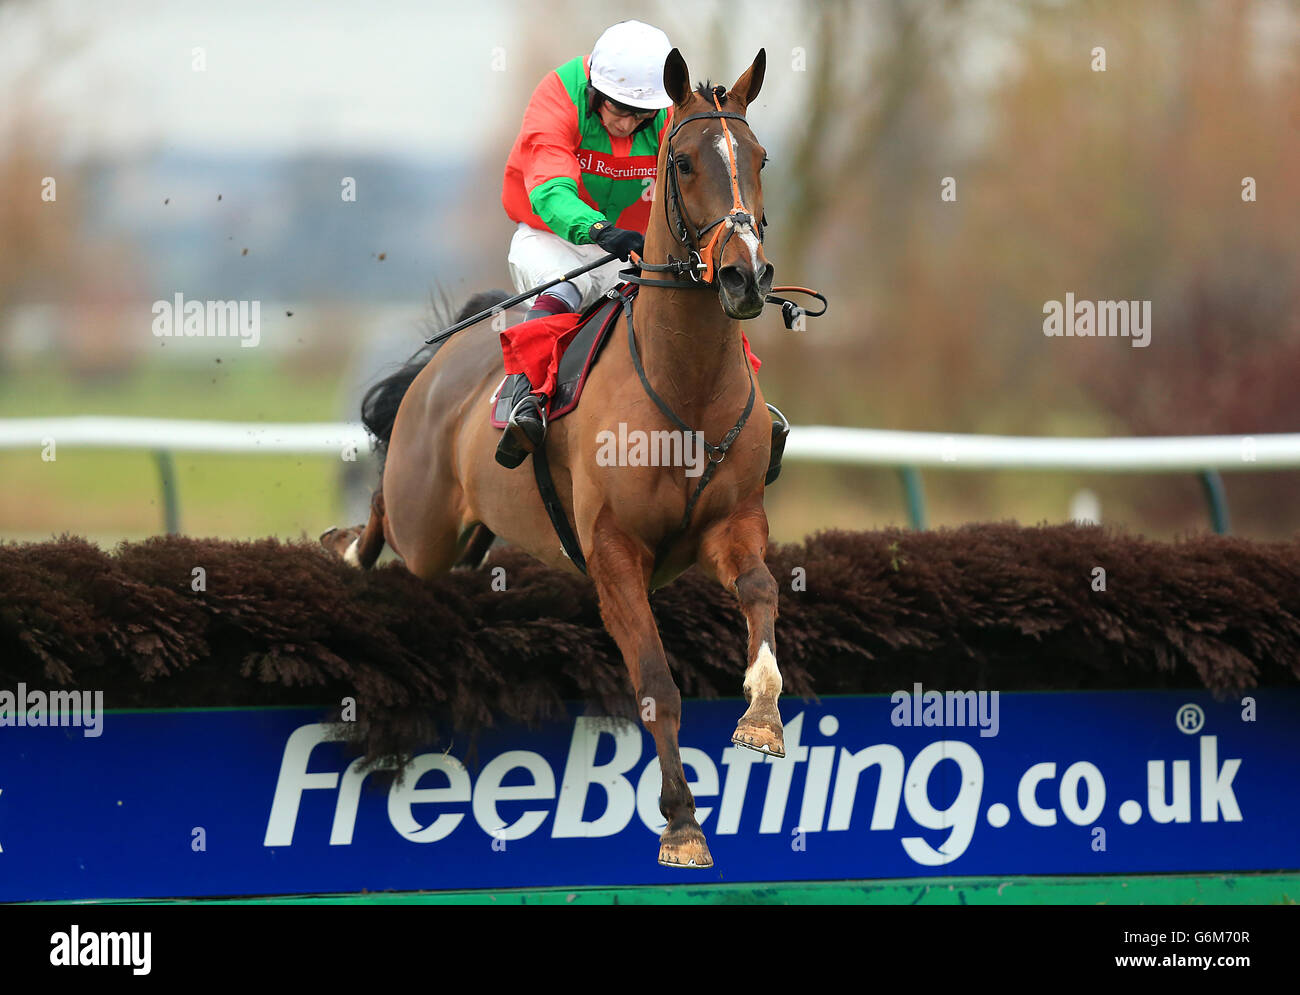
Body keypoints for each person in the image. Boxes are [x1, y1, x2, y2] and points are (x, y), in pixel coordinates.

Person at [495, 19, 674, 468]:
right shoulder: (557, 94)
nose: (629, 123)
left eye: (641, 115)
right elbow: (551, 190)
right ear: (594, 90)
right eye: (619, 110)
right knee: (564, 290)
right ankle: (526, 398)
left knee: (679, 302)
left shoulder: (670, 115)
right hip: (549, 234)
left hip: (627, 245)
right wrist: (598, 231)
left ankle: (743, 403)